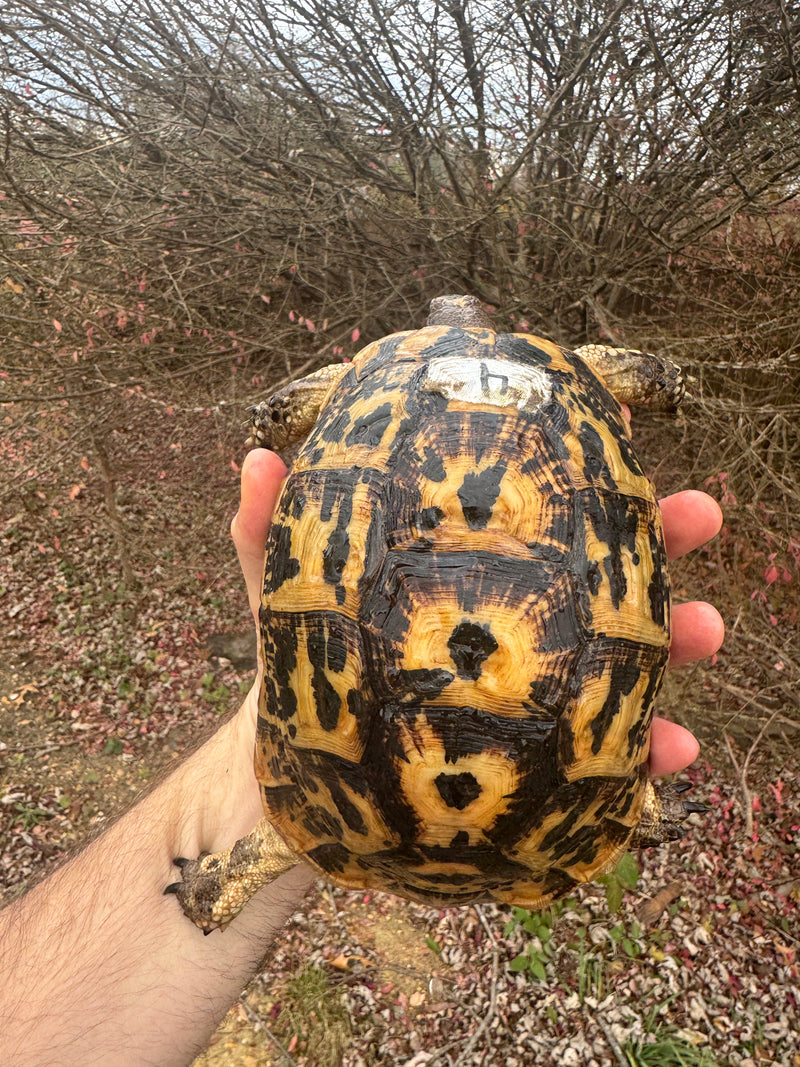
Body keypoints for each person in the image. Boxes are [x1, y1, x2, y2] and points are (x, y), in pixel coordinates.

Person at [0, 445, 725, 1067]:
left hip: (349, 802)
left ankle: (227, 873)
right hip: (534, 822)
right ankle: (630, 804)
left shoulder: (368, 404)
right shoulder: (575, 405)